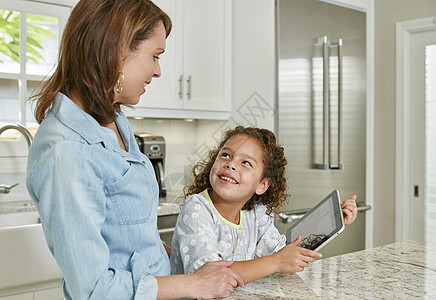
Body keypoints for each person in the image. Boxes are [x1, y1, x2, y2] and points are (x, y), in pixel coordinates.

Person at [26, 0, 243, 299]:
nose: (158, 71)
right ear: (117, 50)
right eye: (155, 56)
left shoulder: (113, 120)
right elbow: (93, 289)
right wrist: (194, 284)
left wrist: (185, 259)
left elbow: (129, 239)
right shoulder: (67, 151)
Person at [170, 126, 358, 283]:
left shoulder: (255, 213)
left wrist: (331, 221)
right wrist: (275, 262)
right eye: (226, 155)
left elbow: (282, 253)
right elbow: (210, 275)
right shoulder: (197, 208)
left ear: (262, 185)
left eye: (245, 162)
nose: (231, 164)